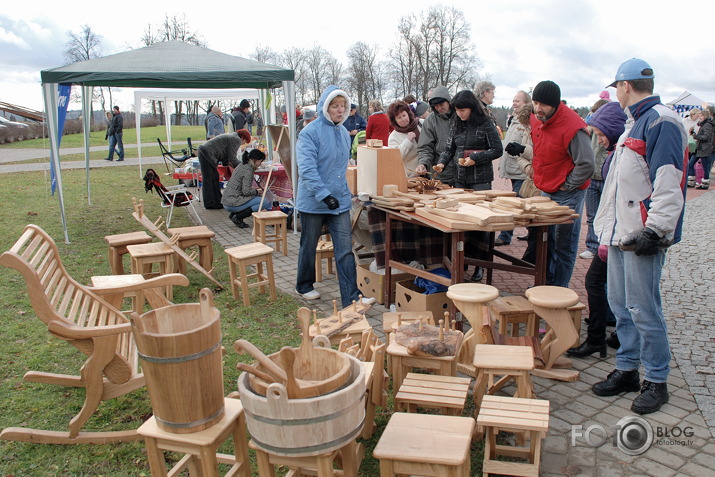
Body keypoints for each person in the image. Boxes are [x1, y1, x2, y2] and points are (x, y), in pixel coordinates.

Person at [592, 58, 687, 415]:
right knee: (621, 305)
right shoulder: (636, 122)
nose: (616, 92)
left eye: (616, 86)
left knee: (644, 308)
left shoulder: (660, 120)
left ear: (625, 86)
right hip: (621, 232)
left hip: (641, 233)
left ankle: (657, 379)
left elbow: (669, 178)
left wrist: (657, 229)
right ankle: (628, 369)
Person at [508, 81, 594, 287]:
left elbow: (587, 164)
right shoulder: (539, 120)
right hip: (546, 190)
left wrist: (568, 184)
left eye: (543, 105)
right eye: (536, 103)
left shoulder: (573, 127)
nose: (538, 108)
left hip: (568, 194)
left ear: (555, 104)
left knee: (564, 245)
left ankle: (558, 289)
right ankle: (544, 283)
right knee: (546, 241)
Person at [295, 85, 375, 308]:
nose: (340, 110)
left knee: (344, 249)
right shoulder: (309, 133)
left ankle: (351, 297)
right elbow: (307, 169)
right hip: (313, 201)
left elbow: (342, 166)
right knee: (308, 245)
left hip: (338, 201)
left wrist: (346, 191)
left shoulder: (342, 132)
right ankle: (304, 285)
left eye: (343, 106)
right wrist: (324, 194)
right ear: (325, 107)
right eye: (335, 106)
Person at [567, 100, 627, 358]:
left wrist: (605, 237)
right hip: (612, 233)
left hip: (621, 234)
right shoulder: (617, 151)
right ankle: (610, 336)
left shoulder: (623, 153)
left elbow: (619, 199)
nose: (599, 140)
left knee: (598, 281)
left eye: (601, 135)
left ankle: (600, 339)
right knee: (604, 283)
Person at [433, 90, 503, 190]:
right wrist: (442, 163)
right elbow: (449, 149)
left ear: (472, 108)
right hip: (459, 179)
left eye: (462, 110)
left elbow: (497, 150)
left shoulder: (486, 123)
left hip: (481, 180)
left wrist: (475, 158)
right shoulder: (456, 123)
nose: (459, 114)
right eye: (457, 110)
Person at [496, 91, 533, 246]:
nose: (514, 103)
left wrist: (519, 150)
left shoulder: (529, 121)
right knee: (518, 203)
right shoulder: (514, 119)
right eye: (513, 100)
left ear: (526, 103)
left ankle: (506, 235)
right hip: (513, 169)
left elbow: (530, 146)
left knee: (517, 204)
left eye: (517, 101)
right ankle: (532, 234)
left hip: (521, 171)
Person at [580, 99, 615, 259]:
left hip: (605, 178)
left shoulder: (613, 135)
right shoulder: (590, 131)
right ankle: (593, 245)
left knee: (608, 214)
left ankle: (603, 245)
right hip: (592, 177)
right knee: (592, 215)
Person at [197, 129, 251, 209]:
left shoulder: (232, 137)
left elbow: (227, 156)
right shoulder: (236, 139)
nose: (243, 144)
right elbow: (232, 158)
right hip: (207, 153)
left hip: (206, 152)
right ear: (242, 138)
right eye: (245, 142)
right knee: (209, 179)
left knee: (214, 178)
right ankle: (210, 203)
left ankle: (217, 201)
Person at [416, 86, 456, 185]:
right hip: (441, 173)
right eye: (436, 106)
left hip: (463, 172)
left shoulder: (460, 115)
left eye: (441, 104)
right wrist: (423, 163)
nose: (439, 108)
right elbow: (425, 147)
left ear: (448, 101)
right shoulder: (430, 120)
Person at [221, 148, 271, 228]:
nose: (260, 164)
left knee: (257, 198)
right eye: (261, 162)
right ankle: (238, 217)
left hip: (227, 200)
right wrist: (256, 192)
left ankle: (235, 214)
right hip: (233, 202)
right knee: (264, 201)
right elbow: (246, 191)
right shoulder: (248, 170)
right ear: (257, 160)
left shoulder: (242, 165)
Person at [387, 100, 422, 177]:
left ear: (408, 114)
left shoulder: (420, 124)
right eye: (399, 118)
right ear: (395, 121)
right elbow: (396, 157)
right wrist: (408, 141)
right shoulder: (393, 137)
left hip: (428, 172)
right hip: (411, 176)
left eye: (404, 115)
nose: (403, 119)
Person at [690, 105, 715, 189]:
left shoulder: (707, 125)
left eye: (701, 116)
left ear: (705, 116)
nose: (699, 117)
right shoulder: (702, 124)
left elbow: (706, 137)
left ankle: (704, 184)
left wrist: (696, 136)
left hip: (704, 149)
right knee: (691, 164)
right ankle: (692, 181)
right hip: (699, 148)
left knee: (705, 167)